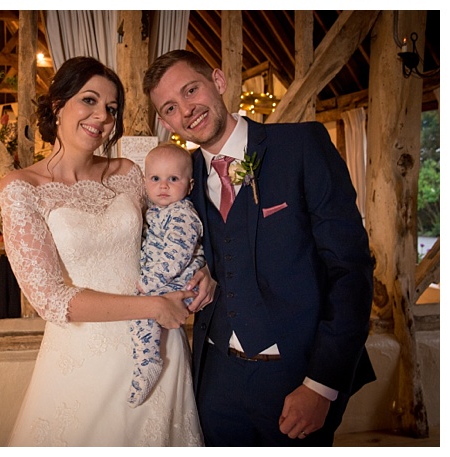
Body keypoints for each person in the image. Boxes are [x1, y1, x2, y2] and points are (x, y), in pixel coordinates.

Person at [143, 49, 375, 446]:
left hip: (296, 378)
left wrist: (321, 385)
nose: (187, 110)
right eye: (170, 107)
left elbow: (350, 270)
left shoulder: (301, 146)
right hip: (213, 382)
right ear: (166, 122)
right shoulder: (180, 178)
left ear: (218, 81)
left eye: (191, 90)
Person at [0, 56, 207, 446]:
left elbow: (174, 228)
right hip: (84, 357)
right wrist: (152, 306)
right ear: (58, 104)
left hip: (157, 346)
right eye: (89, 100)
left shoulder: (129, 173)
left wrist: (202, 271)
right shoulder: (21, 188)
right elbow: (50, 300)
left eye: (111, 109)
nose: (102, 117)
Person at [128, 143, 205, 407]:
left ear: (190, 185)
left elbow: (176, 254)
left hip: (179, 282)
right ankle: (145, 358)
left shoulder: (182, 214)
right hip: (166, 280)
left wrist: (149, 282)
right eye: (156, 179)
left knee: (141, 313)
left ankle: (148, 361)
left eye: (173, 179)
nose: (164, 186)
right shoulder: (158, 211)